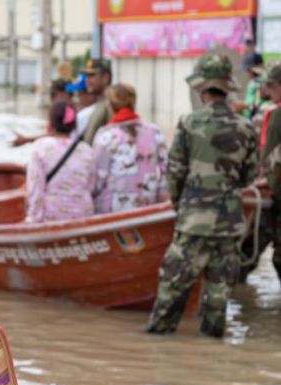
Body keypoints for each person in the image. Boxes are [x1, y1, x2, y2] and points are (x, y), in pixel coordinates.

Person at [147, 54, 258, 338]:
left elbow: (175, 172)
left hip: (193, 221)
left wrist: (179, 205)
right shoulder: (246, 127)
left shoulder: (189, 123)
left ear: (202, 89)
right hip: (229, 223)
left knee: (171, 289)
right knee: (218, 297)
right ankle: (212, 353)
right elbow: (249, 176)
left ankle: (159, 350)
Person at [92, 83, 169, 214]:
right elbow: (167, 170)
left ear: (110, 106)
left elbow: (97, 179)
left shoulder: (106, 136)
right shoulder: (154, 132)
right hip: (148, 205)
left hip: (112, 210)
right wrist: (161, 195)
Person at [25, 101, 95, 223]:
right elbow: (91, 186)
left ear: (50, 123)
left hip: (53, 216)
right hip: (84, 215)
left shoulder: (40, 148)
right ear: (74, 125)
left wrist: (33, 219)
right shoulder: (87, 150)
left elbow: (35, 189)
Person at [258, 63, 281, 281]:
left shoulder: (277, 116)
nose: (267, 93)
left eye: (271, 87)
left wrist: (268, 187)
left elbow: (273, 161)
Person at [11, 78, 72, 147]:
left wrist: (27, 140)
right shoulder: (64, 110)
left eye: (53, 93)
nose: (51, 96)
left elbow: (58, 135)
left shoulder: (65, 111)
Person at [81, 58, 113, 145]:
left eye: (92, 75)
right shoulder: (98, 104)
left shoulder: (112, 105)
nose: (87, 80)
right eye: (87, 76)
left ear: (105, 78)